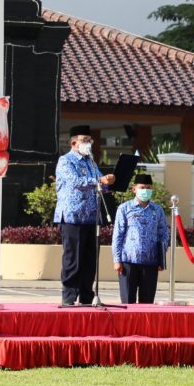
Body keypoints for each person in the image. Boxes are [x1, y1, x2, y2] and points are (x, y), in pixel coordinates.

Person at [54, 125, 116, 306]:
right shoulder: (65, 161)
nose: (88, 144)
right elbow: (76, 182)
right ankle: (69, 296)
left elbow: (100, 184)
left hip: (91, 216)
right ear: (74, 142)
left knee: (90, 259)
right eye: (85, 140)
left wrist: (109, 182)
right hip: (72, 216)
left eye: (90, 140)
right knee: (73, 258)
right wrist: (99, 180)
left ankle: (87, 296)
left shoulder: (91, 162)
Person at [112, 174, 169, 304]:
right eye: (142, 187)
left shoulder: (158, 210)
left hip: (150, 263)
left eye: (148, 188)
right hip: (128, 262)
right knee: (127, 303)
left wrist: (161, 259)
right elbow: (118, 235)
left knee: (147, 305)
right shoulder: (124, 209)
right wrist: (117, 260)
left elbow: (164, 235)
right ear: (134, 189)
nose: (145, 190)